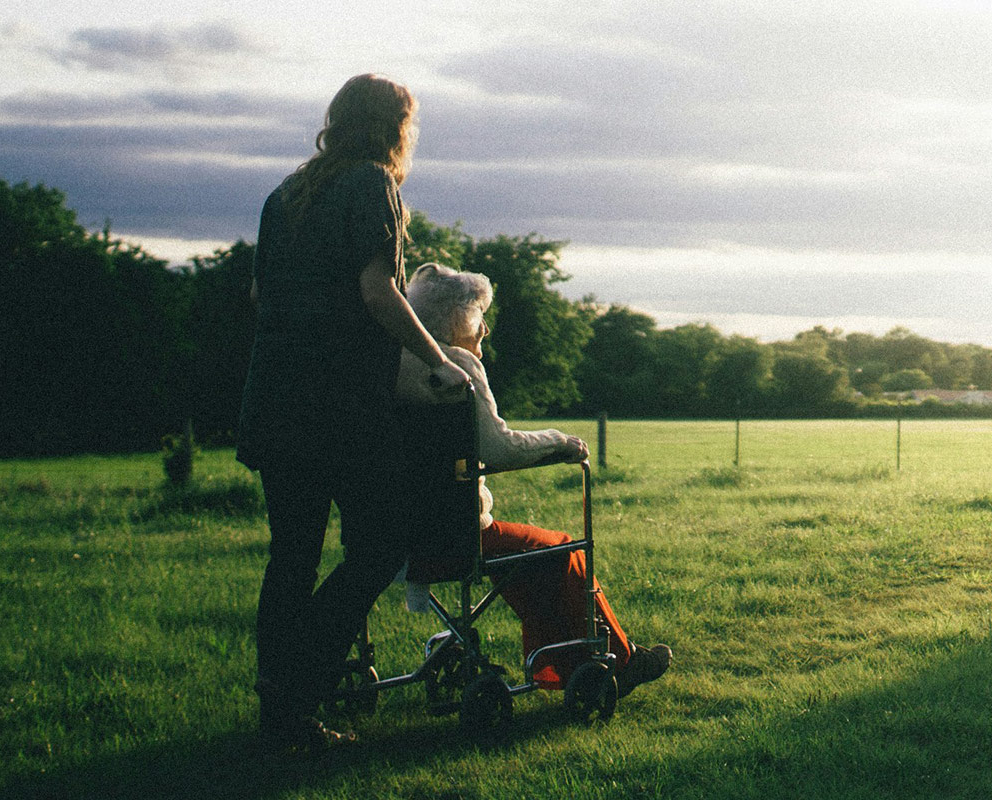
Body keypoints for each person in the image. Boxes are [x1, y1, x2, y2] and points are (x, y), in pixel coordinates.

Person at [236, 73, 471, 749]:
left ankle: (280, 709)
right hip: (335, 407)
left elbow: (262, 293)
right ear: (395, 126)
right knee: (380, 544)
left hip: (273, 397)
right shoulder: (373, 185)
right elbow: (378, 291)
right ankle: (299, 684)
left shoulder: (286, 194)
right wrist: (437, 359)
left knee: (293, 557)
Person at [392, 264, 672, 695]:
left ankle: (561, 667)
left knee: (529, 556)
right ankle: (619, 660)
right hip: (456, 534)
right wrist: (560, 442)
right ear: (454, 319)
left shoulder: (395, 363)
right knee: (560, 548)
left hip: (400, 533)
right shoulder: (456, 366)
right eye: (478, 314)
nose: (485, 327)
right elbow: (498, 448)